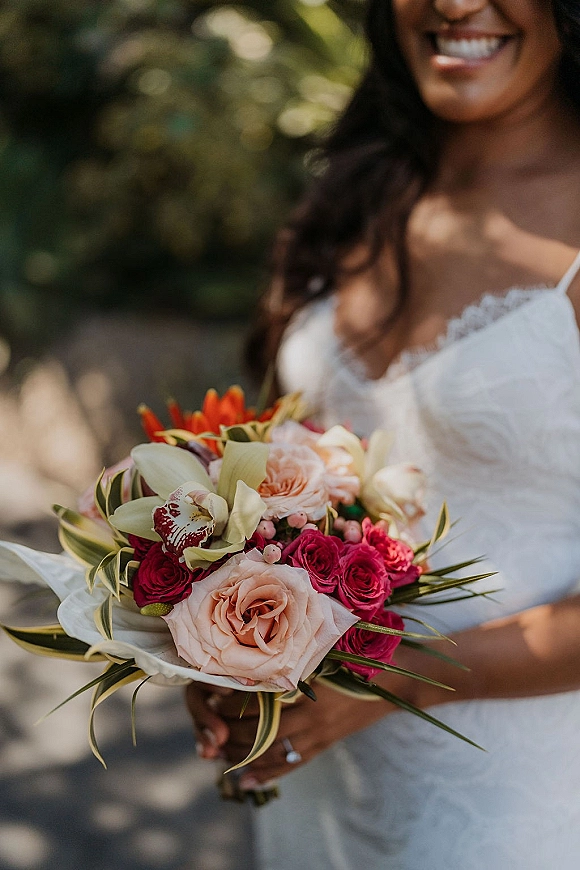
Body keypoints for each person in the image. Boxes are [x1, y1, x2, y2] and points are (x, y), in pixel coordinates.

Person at [186, 0, 580, 866]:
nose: (453, 3)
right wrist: (207, 635)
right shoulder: (365, 177)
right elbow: (292, 464)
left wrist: (393, 676)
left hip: (513, 804)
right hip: (321, 787)